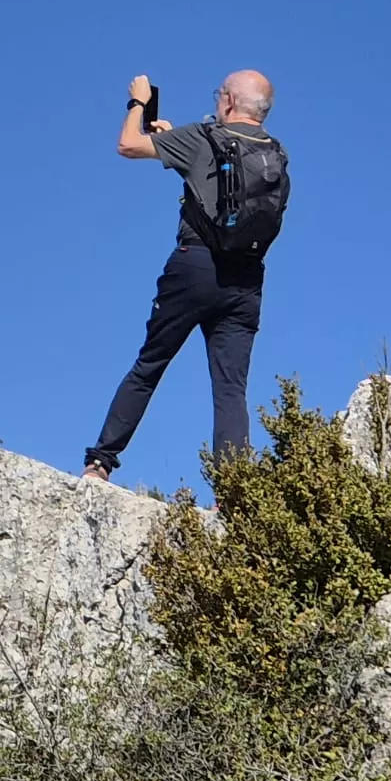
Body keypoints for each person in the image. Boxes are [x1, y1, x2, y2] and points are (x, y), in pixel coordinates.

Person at [83, 71, 286, 481]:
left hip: (195, 268)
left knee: (150, 363)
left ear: (229, 100)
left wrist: (138, 103)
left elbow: (128, 145)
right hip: (246, 280)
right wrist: (172, 140)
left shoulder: (203, 138)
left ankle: (101, 462)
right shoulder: (275, 155)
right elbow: (219, 192)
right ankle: (233, 497)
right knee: (230, 389)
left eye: (218, 94)